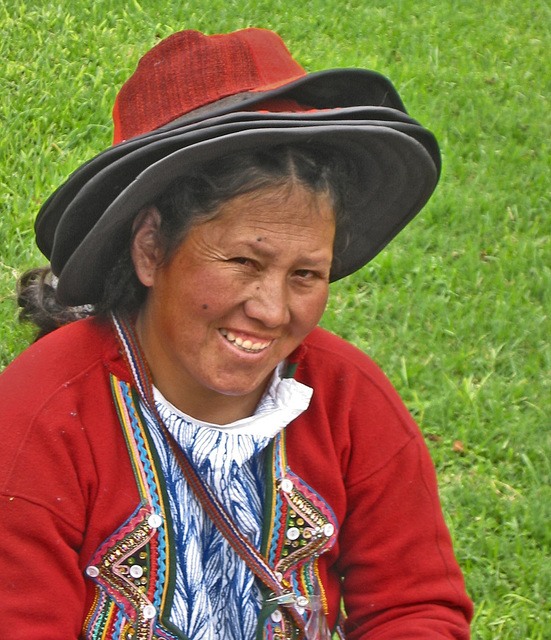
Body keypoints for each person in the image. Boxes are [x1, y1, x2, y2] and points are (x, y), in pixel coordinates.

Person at [0, 28, 473, 640]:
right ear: (150, 249)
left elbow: (416, 607)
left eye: (306, 274)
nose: (273, 311)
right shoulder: (36, 418)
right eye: (244, 264)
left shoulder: (347, 397)